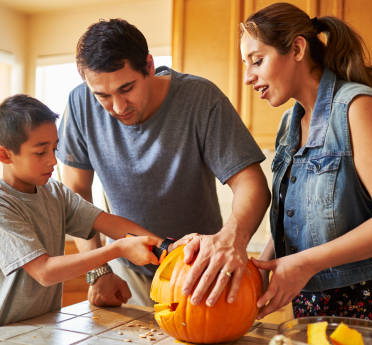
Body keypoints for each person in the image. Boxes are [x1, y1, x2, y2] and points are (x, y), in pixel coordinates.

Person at [240, 3, 372, 333]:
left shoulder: (358, 108)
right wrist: (264, 268)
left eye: (258, 60)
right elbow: (293, 216)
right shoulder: (291, 122)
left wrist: (303, 263)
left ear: (297, 48)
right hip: (317, 303)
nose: (247, 76)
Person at [57, 18, 270, 308]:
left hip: (198, 271)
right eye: (103, 96)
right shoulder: (79, 104)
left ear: (148, 65)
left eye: (127, 88)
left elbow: (252, 184)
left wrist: (232, 239)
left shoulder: (200, 98)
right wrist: (98, 270)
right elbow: (75, 193)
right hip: (124, 271)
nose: (118, 107)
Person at [0, 94, 167, 337]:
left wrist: (165, 247)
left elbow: (108, 223)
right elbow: (45, 272)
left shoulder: (55, 192)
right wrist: (118, 249)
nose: (52, 160)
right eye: (40, 152)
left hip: (38, 329)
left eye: (54, 148)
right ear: (4, 155)